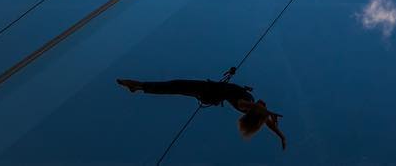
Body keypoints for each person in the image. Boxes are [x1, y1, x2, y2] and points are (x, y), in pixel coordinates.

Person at [117, 66, 286, 150]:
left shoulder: (244, 105)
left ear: (257, 110)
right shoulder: (250, 105)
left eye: (264, 108)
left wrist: (268, 113)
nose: (265, 104)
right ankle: (138, 87)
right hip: (208, 91)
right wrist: (281, 136)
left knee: (175, 86)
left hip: (207, 90)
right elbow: (266, 122)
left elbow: (257, 111)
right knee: (175, 87)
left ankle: (138, 85)